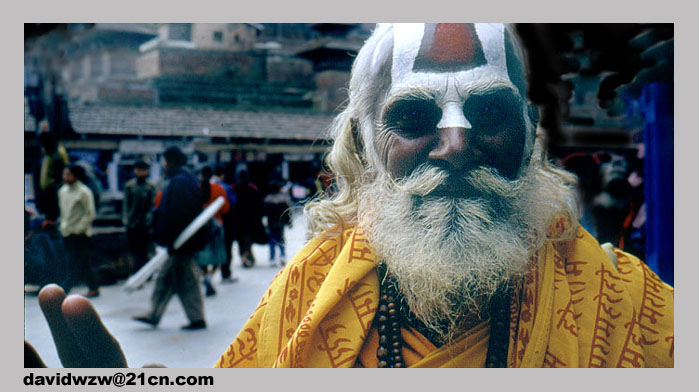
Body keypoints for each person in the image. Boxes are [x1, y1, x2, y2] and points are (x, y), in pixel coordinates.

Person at [29, 23, 673, 368]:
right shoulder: (307, 297)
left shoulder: (634, 313)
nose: (455, 142)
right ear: (364, 148)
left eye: (490, 111)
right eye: (415, 117)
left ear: (530, 135)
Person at [132, 146, 208, 330]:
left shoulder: (179, 182)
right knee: (174, 279)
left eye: (165, 161)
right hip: (181, 240)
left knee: (176, 279)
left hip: (179, 241)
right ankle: (161, 313)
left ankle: (159, 314)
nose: (164, 165)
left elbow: (177, 214)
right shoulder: (185, 180)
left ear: (171, 162)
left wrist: (171, 240)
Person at [58, 164, 98, 298]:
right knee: (83, 261)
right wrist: (64, 227)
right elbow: (63, 212)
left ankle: (65, 289)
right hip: (66, 231)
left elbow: (89, 213)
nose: (65, 177)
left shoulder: (84, 192)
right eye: (64, 174)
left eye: (68, 174)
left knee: (74, 262)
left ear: (76, 176)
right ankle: (93, 287)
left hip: (80, 233)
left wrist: (79, 228)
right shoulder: (62, 191)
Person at [197, 166, 231, 296]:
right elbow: (226, 208)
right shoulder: (219, 189)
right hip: (216, 225)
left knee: (202, 256)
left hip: (200, 226)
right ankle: (210, 277)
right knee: (219, 255)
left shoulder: (196, 189)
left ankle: (205, 275)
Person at [122, 160, 156, 273]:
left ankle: (145, 271)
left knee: (144, 249)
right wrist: (126, 220)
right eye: (138, 170)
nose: (140, 172)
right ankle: (135, 270)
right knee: (133, 248)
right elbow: (126, 204)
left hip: (145, 223)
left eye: (143, 170)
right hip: (132, 222)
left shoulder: (151, 186)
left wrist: (150, 219)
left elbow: (153, 204)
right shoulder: (129, 186)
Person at [230, 170, 265, 268]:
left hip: (238, 218)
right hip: (251, 218)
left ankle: (244, 256)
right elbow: (259, 204)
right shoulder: (252, 188)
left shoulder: (234, 188)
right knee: (248, 239)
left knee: (241, 239)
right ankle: (247, 255)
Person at [212, 164, 238, 283]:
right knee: (226, 248)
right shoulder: (224, 187)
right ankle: (225, 273)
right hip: (224, 222)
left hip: (206, 224)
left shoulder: (203, 185)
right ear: (222, 175)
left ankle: (207, 274)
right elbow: (231, 204)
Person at [36, 130, 70, 223]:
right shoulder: (49, 154)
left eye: (43, 145)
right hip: (47, 191)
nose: (42, 147)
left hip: (53, 193)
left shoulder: (57, 154)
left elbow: (59, 178)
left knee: (51, 219)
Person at [263, 182, 292, 266]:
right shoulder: (283, 200)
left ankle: (272, 258)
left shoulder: (268, 200)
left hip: (271, 223)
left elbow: (265, 213)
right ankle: (282, 256)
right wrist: (289, 223)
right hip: (280, 223)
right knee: (281, 239)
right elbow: (287, 213)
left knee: (272, 241)